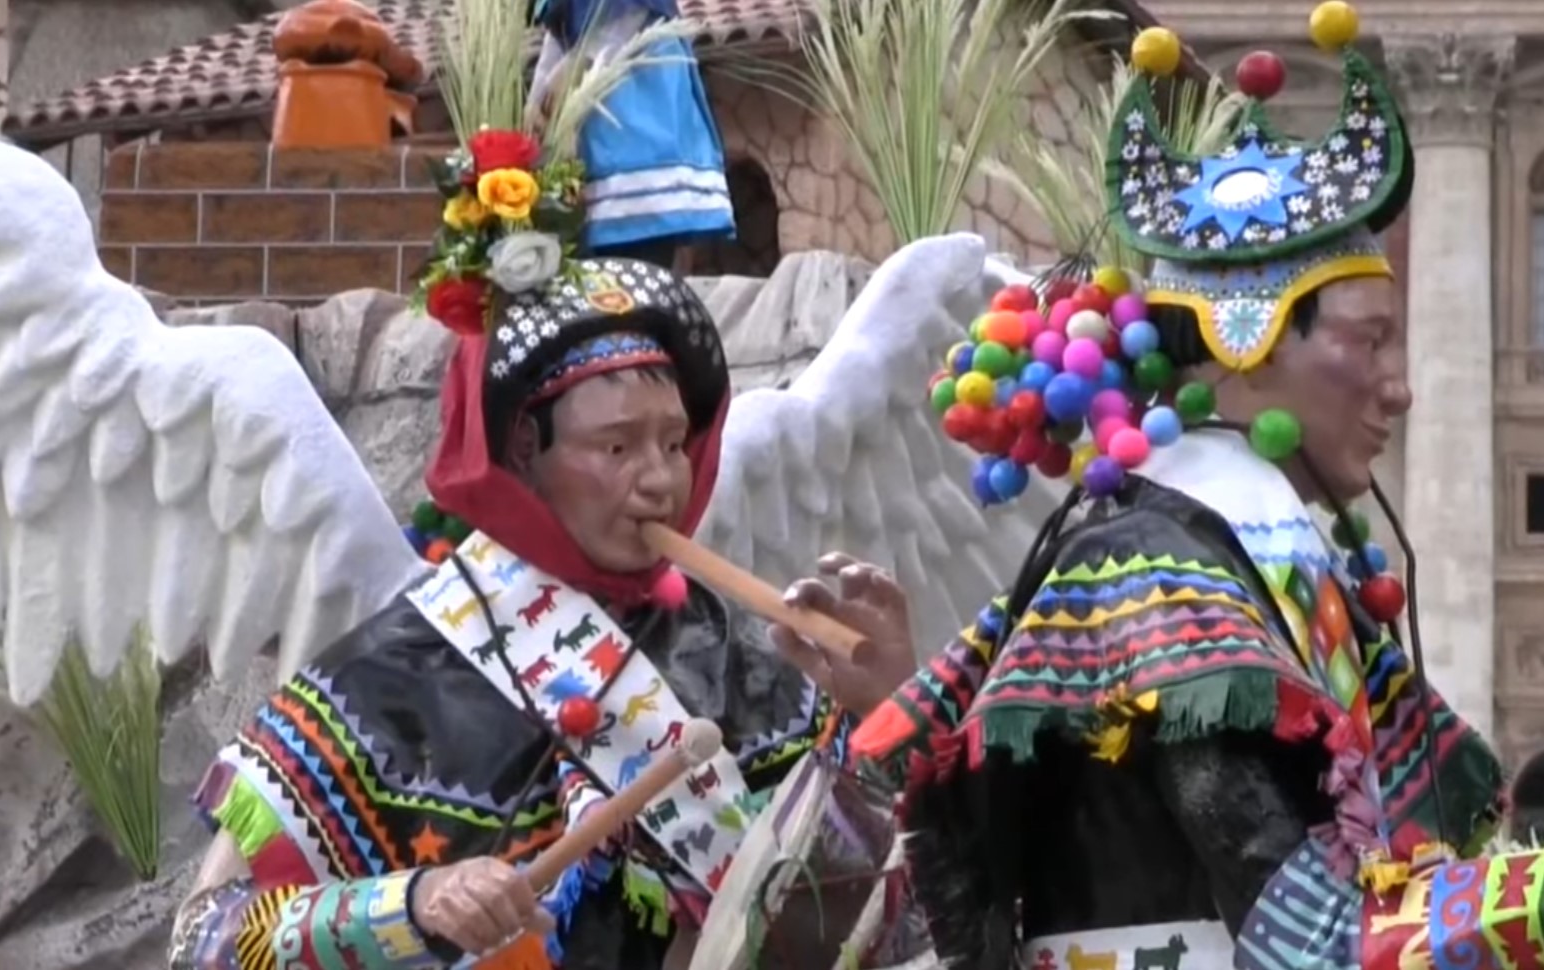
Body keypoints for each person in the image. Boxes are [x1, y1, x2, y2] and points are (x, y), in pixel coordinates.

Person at [790, 5, 1527, 968]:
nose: (1400, 386)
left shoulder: (1238, 550)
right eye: (1368, 340)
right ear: (1242, 336)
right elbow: (1310, 937)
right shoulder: (1154, 578)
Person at [168, 123, 914, 970]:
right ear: (524, 450)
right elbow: (207, 939)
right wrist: (411, 903)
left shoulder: (746, 662)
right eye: (616, 447)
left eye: (673, 443)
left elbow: (886, 931)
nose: (659, 481)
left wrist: (889, 719)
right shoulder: (389, 679)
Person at [527, 0, 736, 268]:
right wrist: (538, 98)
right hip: (587, 113)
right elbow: (560, 30)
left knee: (637, 259)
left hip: (636, 100)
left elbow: (631, 14)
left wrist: (575, 64)